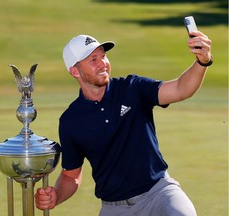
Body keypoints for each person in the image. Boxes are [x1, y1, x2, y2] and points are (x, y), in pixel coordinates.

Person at [35, 31, 212, 216]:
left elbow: (180, 89)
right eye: (93, 59)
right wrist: (56, 195)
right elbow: (71, 175)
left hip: (159, 194)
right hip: (114, 208)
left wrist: (202, 61)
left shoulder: (131, 88)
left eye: (103, 56)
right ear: (75, 71)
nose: (103, 63)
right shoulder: (70, 120)